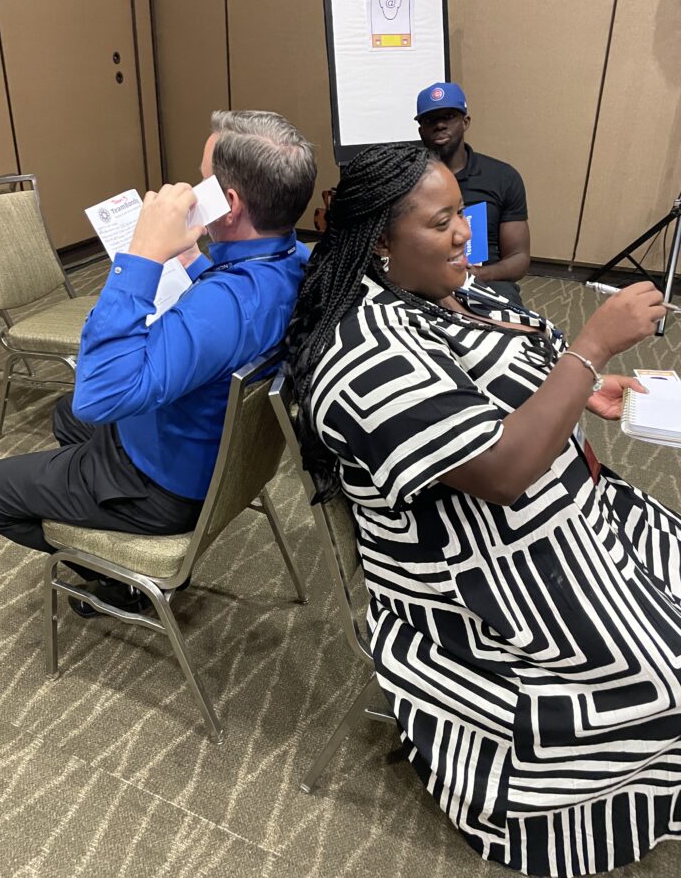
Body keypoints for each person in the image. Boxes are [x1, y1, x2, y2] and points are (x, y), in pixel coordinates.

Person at [286, 141, 681, 876]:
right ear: (379, 241)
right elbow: (498, 473)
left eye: (460, 214)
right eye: (441, 224)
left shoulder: (450, 290)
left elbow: (529, 372)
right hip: (482, 576)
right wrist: (592, 348)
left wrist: (581, 393)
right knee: (662, 669)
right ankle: (578, 816)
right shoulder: (362, 355)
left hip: (573, 510)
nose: (466, 233)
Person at [0, 110, 316, 614]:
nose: (195, 190)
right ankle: (104, 523)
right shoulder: (293, 261)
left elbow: (101, 391)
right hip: (217, 453)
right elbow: (236, 309)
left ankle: (122, 583)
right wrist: (194, 259)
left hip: (165, 485)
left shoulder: (223, 307)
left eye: (203, 179)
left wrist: (144, 256)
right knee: (65, 415)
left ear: (230, 203)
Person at [415, 81, 530, 303]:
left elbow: (519, 258)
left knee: (511, 330)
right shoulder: (406, 178)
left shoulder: (502, 177)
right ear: (421, 131)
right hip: (422, 278)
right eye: (430, 120)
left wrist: (478, 274)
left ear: (465, 122)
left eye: (448, 116)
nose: (439, 125)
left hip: (485, 280)